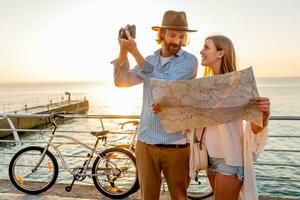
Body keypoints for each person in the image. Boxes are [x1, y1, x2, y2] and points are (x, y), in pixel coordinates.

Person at [152, 35, 270, 200]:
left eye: (207, 47)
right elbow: (188, 119)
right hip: (208, 158)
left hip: (229, 159)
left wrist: (264, 113)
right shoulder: (202, 86)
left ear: (221, 53)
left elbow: (255, 128)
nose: (201, 51)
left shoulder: (238, 83)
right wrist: (163, 110)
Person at [112, 10, 198, 200]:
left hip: (177, 144)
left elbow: (165, 84)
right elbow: (122, 81)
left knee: (179, 197)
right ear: (162, 35)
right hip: (146, 143)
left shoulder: (190, 61)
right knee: (148, 197)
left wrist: (135, 52)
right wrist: (124, 50)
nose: (177, 41)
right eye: (173, 35)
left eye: (181, 36)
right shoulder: (149, 60)